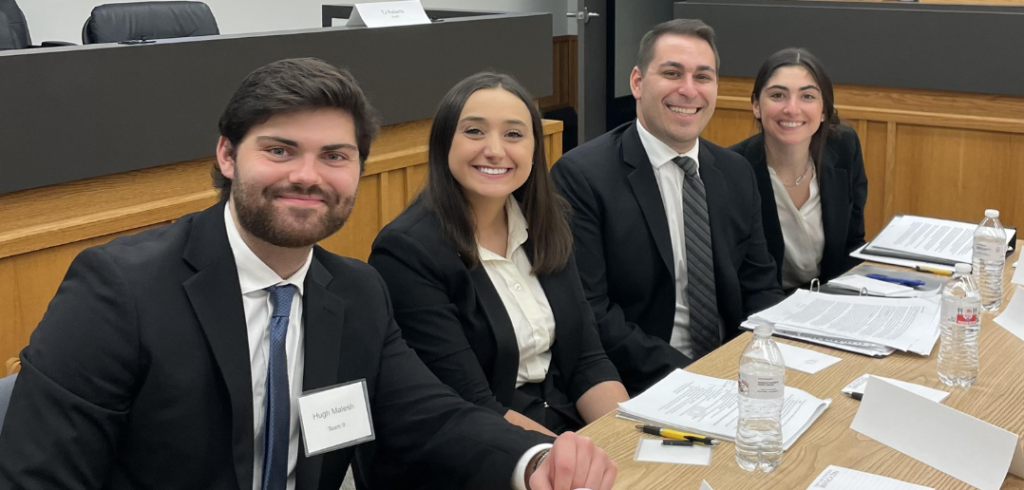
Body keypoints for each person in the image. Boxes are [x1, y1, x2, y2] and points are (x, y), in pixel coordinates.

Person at [0, 58, 616, 490]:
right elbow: (39, 477)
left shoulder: (355, 292)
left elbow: (432, 416)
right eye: (279, 150)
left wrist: (535, 461)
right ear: (225, 154)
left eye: (335, 156)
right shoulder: (119, 290)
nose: (308, 175)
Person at [366, 73, 629, 439]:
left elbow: (587, 359)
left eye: (514, 134)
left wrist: (624, 444)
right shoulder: (406, 252)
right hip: (477, 442)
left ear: (534, 149)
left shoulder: (548, 222)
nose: (494, 149)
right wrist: (571, 463)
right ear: (444, 143)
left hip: (565, 426)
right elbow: (471, 401)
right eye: (474, 131)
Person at [551, 19, 785, 395]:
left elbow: (761, 284)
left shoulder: (736, 171)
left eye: (703, 77)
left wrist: (763, 359)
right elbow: (593, 315)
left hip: (736, 373)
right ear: (638, 83)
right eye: (672, 73)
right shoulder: (581, 177)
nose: (689, 90)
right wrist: (699, 377)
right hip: (638, 382)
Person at [729, 48, 867, 289]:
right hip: (765, 308)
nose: (792, 108)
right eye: (778, 95)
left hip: (832, 299)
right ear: (756, 106)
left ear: (824, 110)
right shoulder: (732, 169)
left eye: (807, 97)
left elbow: (852, 244)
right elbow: (740, 276)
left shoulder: (845, 147)